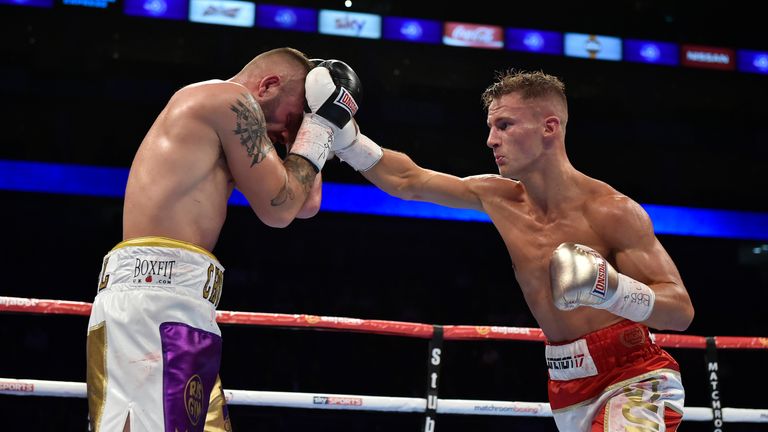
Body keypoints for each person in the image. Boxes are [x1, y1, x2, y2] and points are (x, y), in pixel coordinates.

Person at [337, 70, 695, 431]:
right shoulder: (497, 197)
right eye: (491, 127)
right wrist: (347, 139)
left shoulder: (611, 211)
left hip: (633, 375)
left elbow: (680, 311)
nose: (491, 140)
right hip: (566, 383)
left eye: (505, 125)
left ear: (549, 128)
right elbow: (408, 180)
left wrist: (612, 290)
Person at [87, 48, 362, 432]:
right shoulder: (227, 100)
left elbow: (305, 204)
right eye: (292, 118)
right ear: (268, 85)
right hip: (154, 305)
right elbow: (281, 209)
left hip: (180, 305)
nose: (287, 133)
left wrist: (314, 126)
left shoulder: (227, 127)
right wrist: (317, 127)